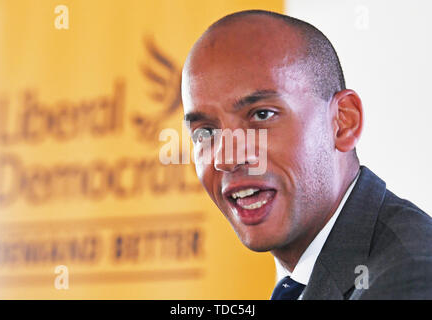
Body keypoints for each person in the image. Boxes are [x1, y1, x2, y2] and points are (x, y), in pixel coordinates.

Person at [180, 10, 432, 299]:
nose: (226, 158)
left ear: (343, 122)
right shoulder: (306, 277)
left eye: (261, 115)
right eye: (205, 133)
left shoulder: (411, 280)